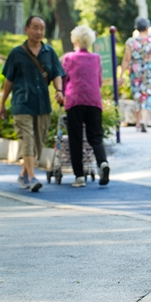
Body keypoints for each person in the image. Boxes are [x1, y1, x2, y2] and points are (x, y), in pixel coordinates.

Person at [0, 16, 65, 191]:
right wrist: (2, 103)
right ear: (26, 29)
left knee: (39, 142)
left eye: (42, 28)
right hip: (22, 103)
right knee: (27, 139)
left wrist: (59, 90)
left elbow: (57, 73)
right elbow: (9, 80)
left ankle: (23, 175)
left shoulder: (49, 52)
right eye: (35, 27)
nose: (39, 32)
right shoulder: (16, 53)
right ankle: (32, 177)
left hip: (42, 104)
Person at [61, 25, 110, 188]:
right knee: (95, 136)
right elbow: (99, 81)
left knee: (75, 139)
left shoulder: (69, 58)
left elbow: (63, 80)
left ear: (74, 40)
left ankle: (79, 176)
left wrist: (61, 95)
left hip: (74, 101)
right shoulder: (96, 58)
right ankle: (102, 162)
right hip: (94, 101)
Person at [120, 17, 151, 132]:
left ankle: (138, 123)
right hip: (149, 73)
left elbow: (127, 59)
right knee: (148, 95)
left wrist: (121, 75)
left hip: (135, 73)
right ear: (147, 28)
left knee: (137, 96)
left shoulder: (130, 41)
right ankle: (144, 120)